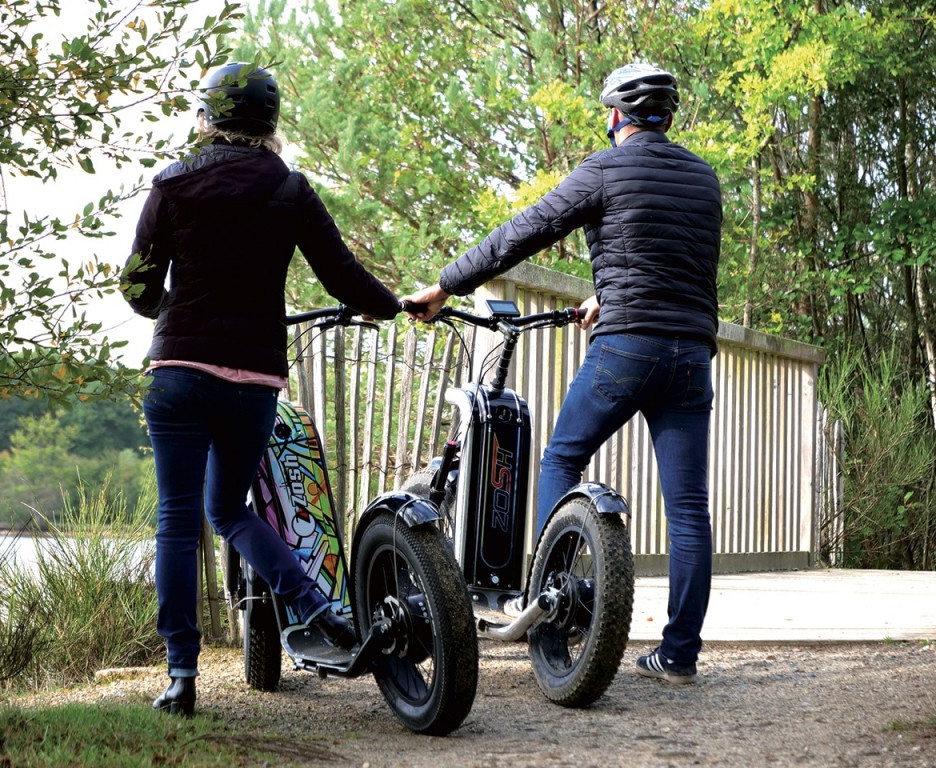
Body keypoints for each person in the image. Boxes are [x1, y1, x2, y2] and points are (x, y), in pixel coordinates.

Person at [404, 63, 722, 685]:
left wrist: (445, 285)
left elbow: (523, 232)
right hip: (690, 355)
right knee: (688, 511)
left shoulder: (605, 169)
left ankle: (553, 612)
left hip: (628, 348)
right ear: (670, 117)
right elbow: (679, 262)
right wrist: (609, 294)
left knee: (561, 459)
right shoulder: (704, 178)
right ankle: (679, 654)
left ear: (615, 117)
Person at [121, 62, 402, 715]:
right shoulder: (290, 188)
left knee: (178, 517)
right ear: (271, 124)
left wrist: (172, 312)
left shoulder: (172, 182)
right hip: (253, 381)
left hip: (180, 373)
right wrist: (395, 305)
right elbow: (343, 278)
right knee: (233, 512)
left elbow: (135, 285)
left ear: (205, 118)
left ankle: (182, 676)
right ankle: (319, 608)